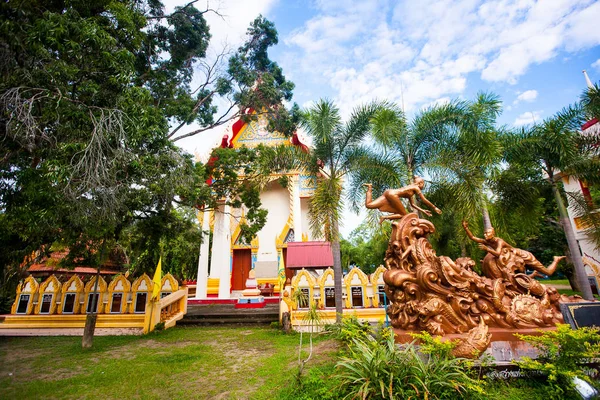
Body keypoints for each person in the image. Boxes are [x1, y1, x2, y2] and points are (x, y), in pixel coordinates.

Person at [462, 221, 565, 278]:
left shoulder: (499, 241)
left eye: (487, 233)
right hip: (509, 258)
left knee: (547, 272)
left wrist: (487, 249)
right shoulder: (487, 241)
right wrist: (466, 228)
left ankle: (556, 260)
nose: (485, 235)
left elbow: (498, 254)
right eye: (484, 233)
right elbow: (473, 238)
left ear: (493, 234)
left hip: (519, 254)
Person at [364, 177, 442, 222]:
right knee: (404, 214)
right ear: (420, 183)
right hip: (393, 195)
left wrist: (423, 210)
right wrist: (434, 207)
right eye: (423, 184)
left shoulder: (410, 189)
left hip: (388, 192)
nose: (423, 186)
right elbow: (424, 199)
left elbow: (413, 204)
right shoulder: (416, 187)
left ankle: (370, 188)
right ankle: (384, 217)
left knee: (369, 205)